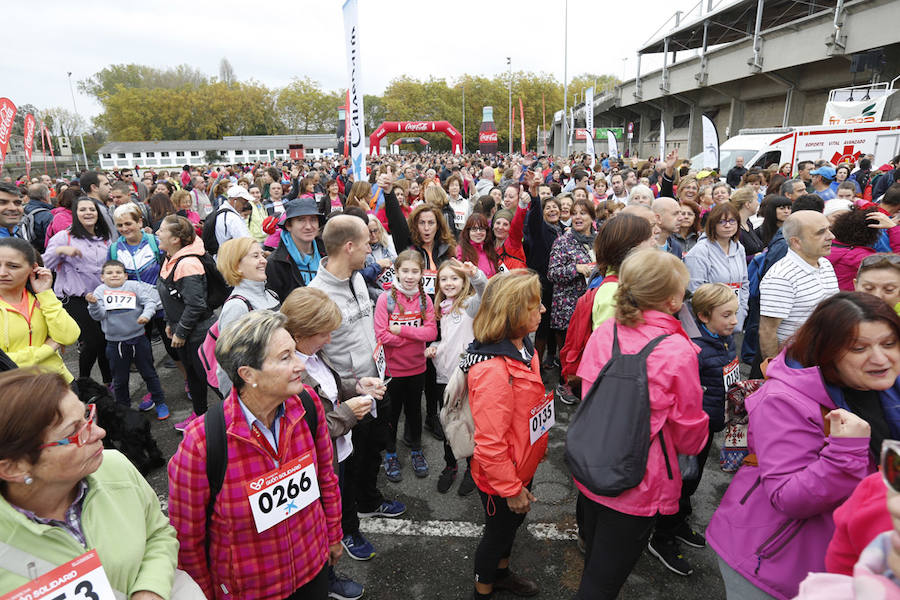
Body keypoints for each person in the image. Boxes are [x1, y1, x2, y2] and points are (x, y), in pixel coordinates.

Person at [708, 292, 900, 599]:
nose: (880, 358)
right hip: (773, 564)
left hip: (856, 564)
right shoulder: (785, 399)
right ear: (828, 352)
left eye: (889, 343)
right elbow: (788, 497)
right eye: (859, 348)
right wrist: (844, 452)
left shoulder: (889, 387)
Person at [167, 310, 343, 599]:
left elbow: (326, 476)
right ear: (248, 375)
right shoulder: (202, 443)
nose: (300, 365)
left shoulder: (307, 403)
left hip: (313, 569)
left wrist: (333, 535)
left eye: (294, 353)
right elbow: (188, 540)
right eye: (285, 357)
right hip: (250, 589)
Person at [575, 249, 709, 596]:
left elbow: (589, 392)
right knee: (605, 579)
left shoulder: (607, 333)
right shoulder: (677, 350)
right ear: (673, 299)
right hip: (639, 480)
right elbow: (689, 431)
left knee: (595, 558)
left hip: (593, 461)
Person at [0, 368, 181, 597]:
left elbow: (157, 533)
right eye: (74, 432)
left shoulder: (115, 467)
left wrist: (150, 590)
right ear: (13, 467)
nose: (100, 432)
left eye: (87, 416)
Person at [308, 215, 405, 562]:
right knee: (347, 465)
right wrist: (348, 389)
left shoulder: (357, 278)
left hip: (378, 382)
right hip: (350, 395)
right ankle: (348, 528)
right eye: (366, 242)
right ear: (349, 247)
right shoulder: (317, 296)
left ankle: (370, 500)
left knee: (374, 449)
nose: (371, 247)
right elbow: (312, 357)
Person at [280, 287, 372, 600]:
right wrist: (347, 413)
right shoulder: (292, 372)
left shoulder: (312, 355)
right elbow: (307, 427)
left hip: (338, 455)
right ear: (302, 333)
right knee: (319, 524)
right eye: (324, 333)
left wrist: (357, 386)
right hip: (320, 461)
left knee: (340, 506)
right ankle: (325, 578)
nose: (330, 340)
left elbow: (330, 388)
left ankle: (330, 567)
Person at [466, 270, 548, 600]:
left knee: (510, 529)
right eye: (534, 305)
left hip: (521, 466)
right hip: (501, 478)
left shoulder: (525, 345)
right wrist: (512, 488)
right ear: (513, 312)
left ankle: (501, 574)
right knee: (496, 534)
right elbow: (488, 444)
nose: (542, 310)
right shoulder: (492, 370)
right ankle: (482, 591)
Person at [648, 283, 740, 575]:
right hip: (689, 430)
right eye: (726, 315)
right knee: (680, 480)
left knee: (692, 480)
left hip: (710, 424)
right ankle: (660, 537)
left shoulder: (725, 340)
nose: (734, 322)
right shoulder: (694, 349)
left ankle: (678, 522)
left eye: (735, 314)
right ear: (703, 316)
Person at [374, 249, 437, 482]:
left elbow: (431, 332)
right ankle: (390, 454)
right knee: (392, 414)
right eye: (405, 271)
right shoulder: (385, 299)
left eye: (415, 271)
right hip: (392, 370)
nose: (409, 276)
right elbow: (382, 334)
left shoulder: (425, 299)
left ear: (422, 273)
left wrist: (402, 330)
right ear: (396, 272)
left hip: (417, 368)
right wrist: (415, 337)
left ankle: (417, 451)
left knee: (414, 413)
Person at [427, 259, 486, 495]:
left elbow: (485, 291)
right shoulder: (441, 307)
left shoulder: (470, 305)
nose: (449, 283)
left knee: (471, 424)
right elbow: (446, 340)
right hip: (444, 376)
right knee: (448, 422)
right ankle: (450, 465)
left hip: (468, 376)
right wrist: (434, 347)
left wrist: (476, 275)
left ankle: (473, 469)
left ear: (464, 282)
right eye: (444, 279)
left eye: (454, 278)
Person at [43, 196, 113, 385]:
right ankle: (83, 382)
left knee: (105, 341)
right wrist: (60, 251)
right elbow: (43, 264)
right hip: (75, 298)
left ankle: (108, 383)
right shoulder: (63, 237)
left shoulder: (104, 239)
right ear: (75, 214)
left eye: (92, 209)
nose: (88, 213)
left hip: (100, 297)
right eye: (82, 210)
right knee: (93, 341)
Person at [156, 215, 216, 431]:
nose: (157, 233)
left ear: (176, 239)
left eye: (161, 230)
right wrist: (170, 324)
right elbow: (173, 298)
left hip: (197, 334)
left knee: (212, 380)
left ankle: (237, 421)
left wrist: (180, 332)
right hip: (184, 331)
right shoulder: (170, 257)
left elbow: (195, 305)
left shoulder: (188, 263)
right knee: (194, 377)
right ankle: (201, 419)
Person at [758, 211, 839, 363]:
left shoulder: (825, 263)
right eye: (821, 232)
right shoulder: (781, 277)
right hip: (797, 364)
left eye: (828, 229)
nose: (831, 236)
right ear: (796, 242)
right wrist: (774, 373)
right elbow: (768, 331)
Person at [0, 238, 79, 380]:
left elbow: (69, 336)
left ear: (33, 268)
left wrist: (46, 294)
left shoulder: (39, 297)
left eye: (13, 266)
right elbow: (3, 363)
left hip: (57, 385)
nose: (2, 272)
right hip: (12, 391)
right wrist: (47, 349)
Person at [215, 238, 281, 397]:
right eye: (255, 256)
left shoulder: (271, 295)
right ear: (237, 265)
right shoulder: (237, 306)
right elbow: (227, 365)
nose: (264, 260)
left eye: (262, 255)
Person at [685, 202, 749, 330]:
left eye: (732, 221)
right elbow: (695, 291)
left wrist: (741, 311)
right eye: (722, 222)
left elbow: (744, 284)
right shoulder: (700, 251)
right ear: (713, 224)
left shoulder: (739, 248)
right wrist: (714, 316)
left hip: (735, 320)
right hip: (709, 324)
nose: (728, 225)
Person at [525, 189, 563, 365]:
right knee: (542, 325)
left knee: (558, 326)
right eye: (548, 208)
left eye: (555, 207)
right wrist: (535, 198)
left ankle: (555, 359)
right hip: (543, 285)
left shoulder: (564, 231)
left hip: (561, 287)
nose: (552, 210)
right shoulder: (540, 229)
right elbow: (534, 219)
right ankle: (537, 365)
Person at [265, 198, 327, 301]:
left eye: (313, 219)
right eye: (301, 220)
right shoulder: (275, 263)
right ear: (289, 225)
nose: (308, 226)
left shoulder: (327, 253)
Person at [826, 207, 881, 290]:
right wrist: (893, 228)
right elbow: (893, 270)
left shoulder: (827, 247)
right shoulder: (860, 256)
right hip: (852, 299)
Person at [456, 213, 501, 278]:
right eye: (474, 229)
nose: (478, 232)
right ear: (468, 232)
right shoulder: (460, 250)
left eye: (481, 229)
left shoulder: (491, 249)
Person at [730, 187, 764, 259]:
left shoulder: (748, 223)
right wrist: (754, 257)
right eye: (756, 200)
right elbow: (733, 258)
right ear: (748, 204)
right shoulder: (734, 229)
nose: (758, 203)